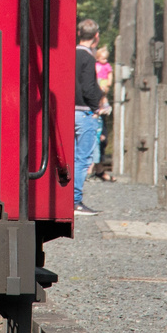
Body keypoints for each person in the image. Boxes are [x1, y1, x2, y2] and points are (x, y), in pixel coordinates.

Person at [73, 19, 103, 216]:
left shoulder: (70, 54)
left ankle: (68, 198)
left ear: (78, 33)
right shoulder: (89, 58)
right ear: (96, 37)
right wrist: (96, 108)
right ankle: (75, 201)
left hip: (69, 111)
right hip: (84, 112)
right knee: (82, 159)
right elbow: (88, 88)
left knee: (71, 157)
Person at [94, 44, 114, 179]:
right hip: (98, 86)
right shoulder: (96, 66)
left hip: (102, 85)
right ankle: (96, 170)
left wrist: (107, 84)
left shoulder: (106, 67)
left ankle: (98, 170)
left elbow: (110, 77)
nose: (104, 61)